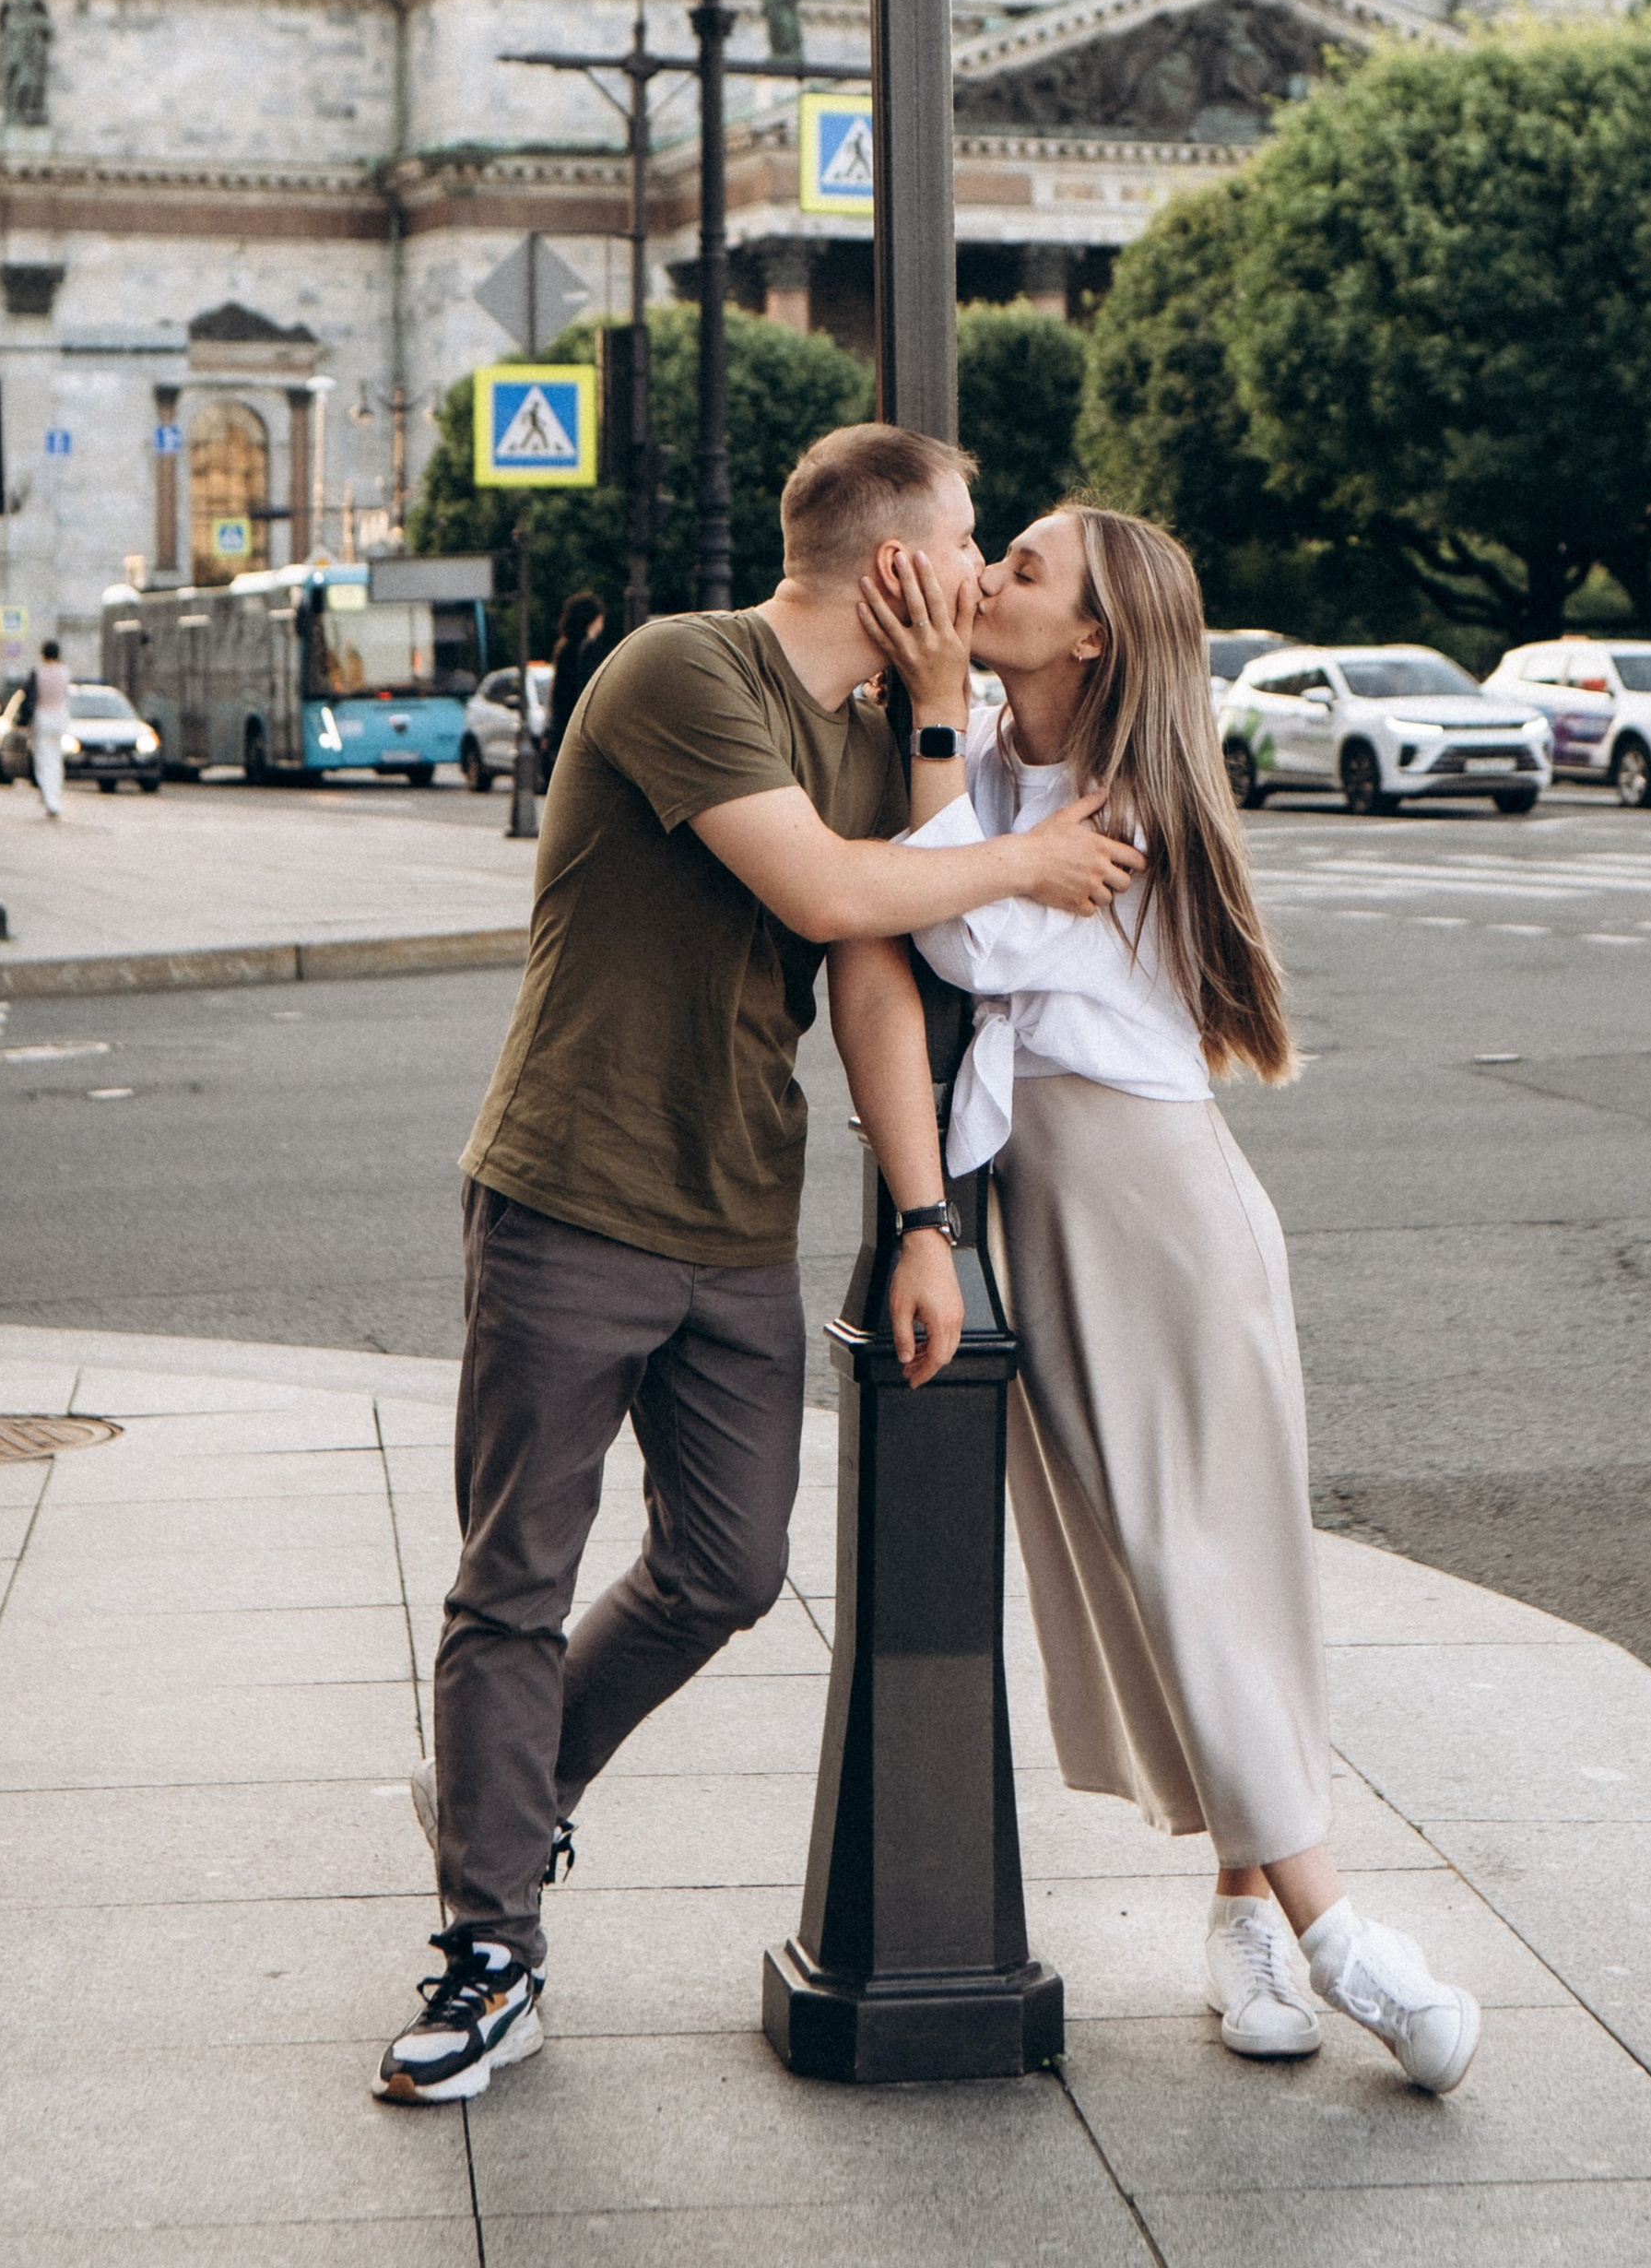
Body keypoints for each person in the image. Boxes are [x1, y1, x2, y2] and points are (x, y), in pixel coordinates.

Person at [373, 424, 1144, 2108]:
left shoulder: (875, 737)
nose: (979, 570)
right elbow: (819, 879)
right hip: (571, 1193)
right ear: (891, 562)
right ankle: (489, 1947)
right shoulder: (680, 671)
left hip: (735, 1222)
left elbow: (880, 965)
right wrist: (1027, 854)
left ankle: (504, 1787)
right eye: (965, 542)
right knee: (515, 1575)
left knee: (727, 1568)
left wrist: (927, 1223)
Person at [858, 503, 1483, 2096]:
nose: (986, 574)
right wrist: (936, 713)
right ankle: (1249, 1916)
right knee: (1168, 1565)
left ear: (1095, 640)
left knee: (1206, 1564)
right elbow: (941, 877)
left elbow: (959, 920)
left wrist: (933, 709)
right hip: (1076, 1200)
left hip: (1154, 1206)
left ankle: (1329, 1931)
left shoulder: (1119, 805)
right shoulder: (1000, 761)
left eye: (1025, 570)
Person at [544, 590, 609, 769]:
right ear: (594, 619)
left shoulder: (564, 648)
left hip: (565, 731)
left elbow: (557, 696)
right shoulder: (590, 650)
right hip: (583, 735)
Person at [29, 640, 73, 821]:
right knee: (56, 760)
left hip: (43, 718)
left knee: (43, 761)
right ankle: (54, 796)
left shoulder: (38, 673)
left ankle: (50, 799)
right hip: (60, 718)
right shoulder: (66, 672)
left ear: (43, 654)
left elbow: (31, 697)